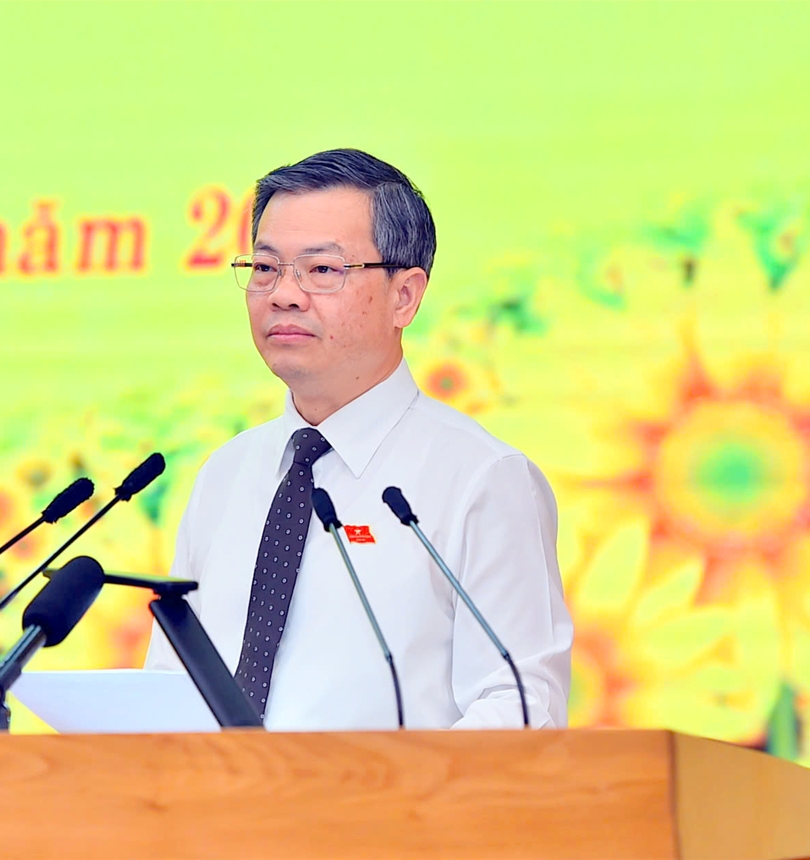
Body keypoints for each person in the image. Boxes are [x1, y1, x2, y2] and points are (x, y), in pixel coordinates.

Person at [143, 149, 572, 729]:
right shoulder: (227, 473)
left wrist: (381, 780)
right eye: (265, 268)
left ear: (405, 296)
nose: (283, 294)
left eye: (322, 270)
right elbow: (168, 692)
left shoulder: (481, 478)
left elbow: (520, 705)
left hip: (393, 791)